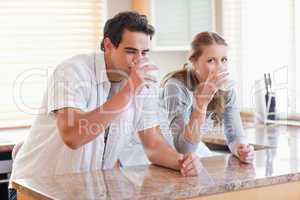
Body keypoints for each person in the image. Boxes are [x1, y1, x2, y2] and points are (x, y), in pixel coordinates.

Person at [8, 11, 202, 200]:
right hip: (36, 188)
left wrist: (182, 162)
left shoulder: (145, 81)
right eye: (130, 51)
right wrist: (129, 91)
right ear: (108, 45)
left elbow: (153, 144)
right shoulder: (72, 72)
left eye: (144, 53)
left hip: (86, 191)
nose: (139, 60)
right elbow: (73, 136)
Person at [160, 31, 254, 163]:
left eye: (224, 60)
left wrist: (242, 149)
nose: (220, 67)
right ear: (194, 62)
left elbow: (234, 136)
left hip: (191, 150)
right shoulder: (175, 87)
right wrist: (201, 104)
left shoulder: (226, 89)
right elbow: (183, 148)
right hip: (157, 152)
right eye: (211, 60)